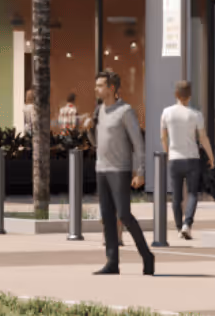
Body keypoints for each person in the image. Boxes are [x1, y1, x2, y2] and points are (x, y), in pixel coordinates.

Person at [91, 69, 152, 276]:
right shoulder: (99, 111)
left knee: (124, 215)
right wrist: (89, 130)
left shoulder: (125, 111)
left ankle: (147, 255)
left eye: (100, 85)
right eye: (96, 85)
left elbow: (138, 144)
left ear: (112, 88)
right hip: (102, 169)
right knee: (107, 217)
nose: (96, 89)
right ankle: (112, 262)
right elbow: (97, 143)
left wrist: (140, 171)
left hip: (120, 170)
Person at [158, 80, 213, 240]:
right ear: (189, 96)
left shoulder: (166, 112)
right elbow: (203, 138)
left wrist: (168, 153)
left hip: (175, 159)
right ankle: (187, 224)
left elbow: (163, 137)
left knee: (176, 197)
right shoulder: (196, 114)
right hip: (192, 159)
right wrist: (212, 157)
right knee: (192, 193)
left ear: (176, 94)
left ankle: (178, 227)